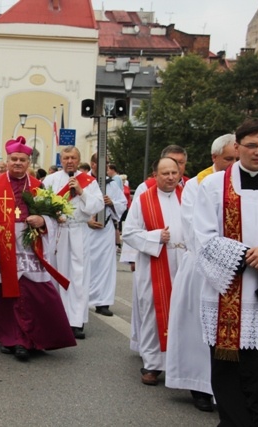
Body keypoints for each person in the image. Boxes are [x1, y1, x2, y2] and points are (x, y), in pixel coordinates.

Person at [194, 118, 258, 425]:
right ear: (237, 146)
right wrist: (248, 254)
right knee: (228, 374)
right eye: (251, 146)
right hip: (226, 295)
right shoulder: (213, 185)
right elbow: (203, 237)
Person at [0, 136, 76, 361]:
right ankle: (9, 337)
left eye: (22, 160)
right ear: (7, 160)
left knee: (33, 293)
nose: (17, 163)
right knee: (5, 295)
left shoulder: (38, 186)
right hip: (2, 245)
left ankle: (27, 338)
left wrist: (42, 219)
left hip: (30, 246)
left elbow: (53, 216)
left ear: (29, 162)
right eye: (14, 159)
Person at [165, 133, 236, 412]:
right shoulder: (197, 185)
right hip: (202, 266)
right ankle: (199, 385)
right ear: (214, 158)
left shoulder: (241, 186)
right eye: (227, 159)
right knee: (198, 329)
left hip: (236, 269)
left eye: (235, 158)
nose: (232, 164)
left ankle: (227, 388)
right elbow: (195, 229)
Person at [122, 157, 185, 386]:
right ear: (155, 175)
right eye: (165, 173)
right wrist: (155, 236)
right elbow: (128, 233)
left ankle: (180, 365)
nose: (170, 177)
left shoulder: (189, 197)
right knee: (152, 312)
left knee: (183, 313)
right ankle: (152, 364)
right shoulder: (143, 200)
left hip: (184, 263)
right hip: (154, 263)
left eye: (174, 173)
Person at [42, 146, 104, 339]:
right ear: (61, 159)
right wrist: (53, 215)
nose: (69, 161)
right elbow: (42, 203)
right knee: (56, 273)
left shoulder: (88, 181)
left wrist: (81, 192)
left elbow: (98, 204)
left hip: (79, 230)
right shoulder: (51, 180)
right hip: (58, 231)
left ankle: (76, 321)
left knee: (79, 276)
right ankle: (55, 318)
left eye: (73, 158)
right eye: (66, 157)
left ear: (78, 160)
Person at [87, 153, 128, 317]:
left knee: (105, 266)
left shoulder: (111, 185)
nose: (105, 166)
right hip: (88, 230)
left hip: (105, 230)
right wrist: (86, 221)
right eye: (101, 163)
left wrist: (112, 203)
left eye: (108, 163)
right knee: (87, 265)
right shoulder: (85, 182)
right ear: (93, 164)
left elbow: (123, 203)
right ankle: (83, 299)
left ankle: (102, 302)